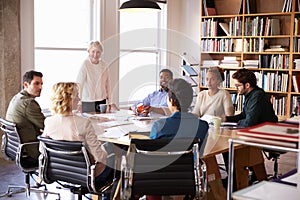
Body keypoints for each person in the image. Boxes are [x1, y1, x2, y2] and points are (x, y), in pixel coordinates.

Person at [40, 82, 112, 190]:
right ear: (69, 99)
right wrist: (107, 151)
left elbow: (42, 149)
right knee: (117, 160)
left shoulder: (49, 121)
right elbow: (99, 157)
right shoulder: (84, 122)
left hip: (59, 172)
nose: (79, 99)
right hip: (86, 175)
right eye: (77, 96)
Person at [150, 78, 209, 143]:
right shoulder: (203, 126)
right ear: (190, 100)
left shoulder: (158, 126)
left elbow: (154, 149)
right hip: (191, 153)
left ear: (171, 101)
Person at [6, 70, 45, 161]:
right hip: (30, 151)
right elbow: (46, 126)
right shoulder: (29, 103)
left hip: (15, 149)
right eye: (36, 83)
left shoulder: (17, 97)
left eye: (41, 84)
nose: (40, 87)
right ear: (26, 85)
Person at [76, 40, 114, 112]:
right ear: (89, 51)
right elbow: (79, 84)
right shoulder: (85, 64)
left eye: (98, 52)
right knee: (89, 122)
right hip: (88, 101)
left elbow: (108, 85)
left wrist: (110, 102)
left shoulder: (104, 65)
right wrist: (79, 102)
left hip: (101, 101)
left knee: (101, 122)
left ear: (101, 53)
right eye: (93, 51)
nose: (95, 54)